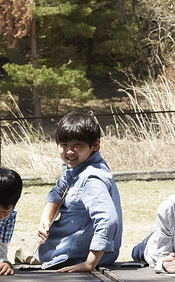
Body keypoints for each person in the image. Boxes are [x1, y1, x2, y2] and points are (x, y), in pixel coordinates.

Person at [36, 112, 123, 272]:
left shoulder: (91, 178)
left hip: (77, 256)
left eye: (78, 145)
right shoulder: (77, 168)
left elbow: (108, 220)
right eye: (64, 145)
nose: (70, 151)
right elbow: (58, 191)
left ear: (95, 144)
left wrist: (89, 263)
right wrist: (45, 220)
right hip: (66, 252)